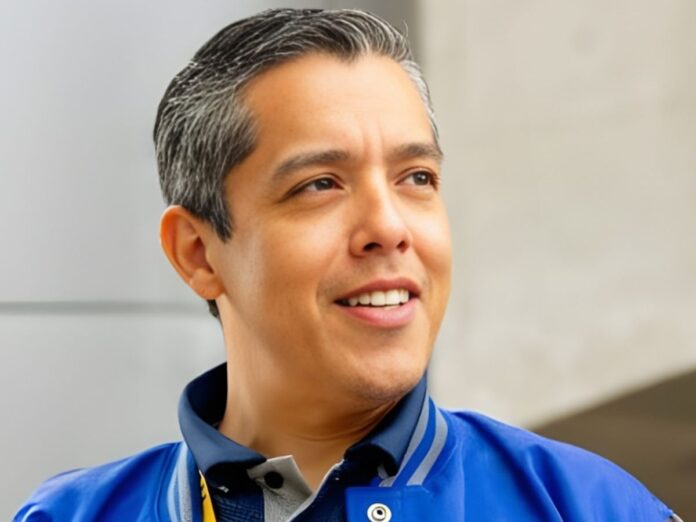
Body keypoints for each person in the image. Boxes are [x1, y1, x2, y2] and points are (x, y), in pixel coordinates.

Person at [15, 8, 680, 522]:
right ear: (198, 253)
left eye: (416, 177)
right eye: (320, 185)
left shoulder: (588, 506)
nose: (389, 227)